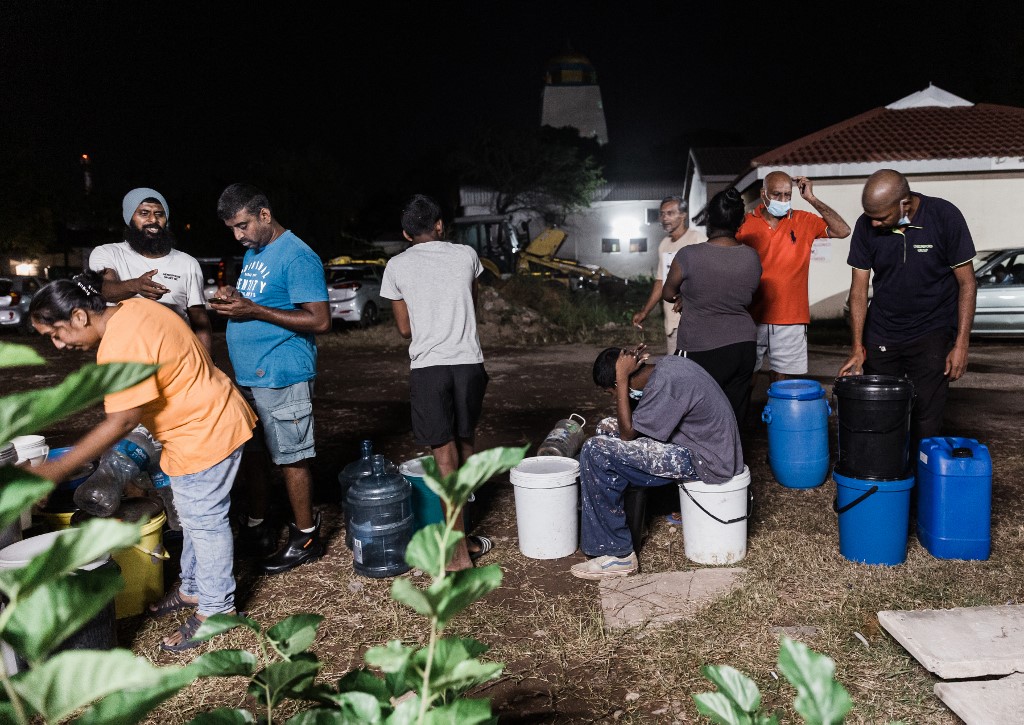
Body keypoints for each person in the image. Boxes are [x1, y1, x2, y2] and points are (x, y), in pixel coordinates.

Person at [28, 272, 256, 651]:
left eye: (56, 333)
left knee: (206, 522)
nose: (58, 344)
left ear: (80, 317)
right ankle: (195, 589)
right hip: (203, 423)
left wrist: (54, 469)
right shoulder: (134, 309)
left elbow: (122, 420)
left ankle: (218, 609)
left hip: (205, 431)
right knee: (195, 516)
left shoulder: (121, 343)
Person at [211, 183, 331, 575]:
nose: (238, 235)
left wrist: (254, 311)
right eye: (232, 228)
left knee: (292, 457)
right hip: (250, 374)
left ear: (264, 214)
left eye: (242, 225)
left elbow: (319, 319)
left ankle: (306, 536)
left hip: (281, 373)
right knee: (255, 452)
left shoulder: (297, 255)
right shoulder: (255, 251)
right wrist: (234, 296)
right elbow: (257, 299)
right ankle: (260, 526)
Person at [380, 194, 491, 572]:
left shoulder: (396, 265)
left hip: (429, 368)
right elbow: (473, 305)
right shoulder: (466, 255)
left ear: (406, 233)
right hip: (468, 363)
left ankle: (457, 553)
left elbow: (404, 328)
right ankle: (466, 537)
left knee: (443, 456)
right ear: (440, 225)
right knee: (466, 444)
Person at [570, 344, 744, 580]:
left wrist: (621, 380)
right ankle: (628, 520)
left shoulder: (666, 382)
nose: (615, 395)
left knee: (595, 450)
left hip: (707, 460)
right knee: (604, 429)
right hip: (699, 444)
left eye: (610, 392)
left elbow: (628, 434)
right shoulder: (664, 369)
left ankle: (617, 555)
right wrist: (624, 378)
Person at [838, 168, 976, 456]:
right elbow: (859, 290)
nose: (873, 223)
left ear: (904, 204)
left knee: (926, 420)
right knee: (883, 417)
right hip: (883, 331)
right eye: (869, 216)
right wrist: (857, 347)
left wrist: (961, 344)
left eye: (881, 217)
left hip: (931, 331)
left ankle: (922, 489)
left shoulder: (944, 216)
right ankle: (889, 488)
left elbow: (967, 284)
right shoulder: (866, 226)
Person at [736, 172, 851, 383]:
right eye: (777, 194)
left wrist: (812, 199)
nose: (782, 200)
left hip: (791, 318)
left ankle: (779, 416)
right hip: (751, 317)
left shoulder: (804, 220)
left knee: (784, 382)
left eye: (787, 195)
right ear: (764, 195)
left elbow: (843, 230)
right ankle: (741, 417)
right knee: (744, 378)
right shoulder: (745, 224)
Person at [662, 188, 762, 418]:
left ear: (708, 219)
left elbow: (668, 293)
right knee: (733, 416)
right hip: (743, 346)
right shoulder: (752, 257)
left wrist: (685, 297)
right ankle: (733, 455)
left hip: (700, 346)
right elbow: (743, 294)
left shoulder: (688, 255)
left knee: (696, 414)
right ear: (741, 221)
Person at [89, 187, 213, 356]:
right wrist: (135, 286)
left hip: (177, 358)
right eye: (144, 213)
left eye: (159, 214)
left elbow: (199, 319)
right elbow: (105, 289)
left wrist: (208, 363)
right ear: (129, 218)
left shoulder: (187, 263)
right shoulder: (107, 253)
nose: (153, 220)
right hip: (125, 359)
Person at [631, 196, 705, 354]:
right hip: (672, 323)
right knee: (676, 370)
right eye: (662, 214)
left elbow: (710, 277)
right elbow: (660, 281)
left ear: (683, 215)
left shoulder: (697, 239)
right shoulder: (664, 245)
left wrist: (689, 296)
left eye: (670, 213)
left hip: (695, 321)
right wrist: (645, 312)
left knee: (694, 371)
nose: (664, 218)